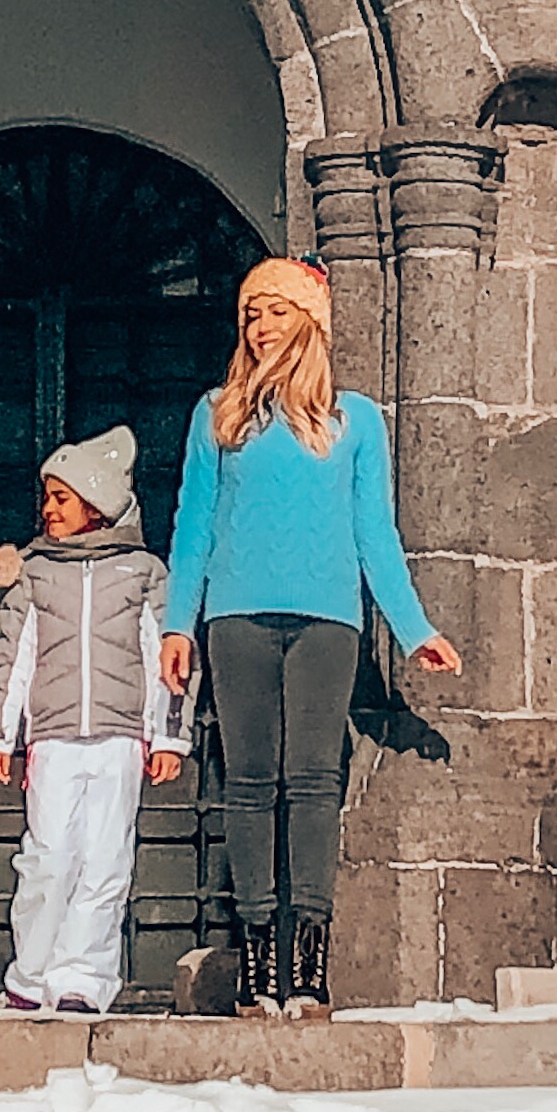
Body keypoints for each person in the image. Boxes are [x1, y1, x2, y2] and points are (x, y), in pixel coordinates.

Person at [158, 256, 462, 1017]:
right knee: (252, 783)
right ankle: (260, 959)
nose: (260, 327)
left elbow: (375, 533)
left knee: (314, 783)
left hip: (328, 621)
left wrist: (413, 625)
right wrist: (176, 623)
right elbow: (192, 526)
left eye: (275, 311)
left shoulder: (354, 420)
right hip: (236, 616)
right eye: (251, 313)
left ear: (311, 322)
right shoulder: (217, 413)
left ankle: (309, 963)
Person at [0, 426, 183, 1016]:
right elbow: (12, 656)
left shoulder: (143, 573)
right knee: (47, 856)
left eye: (61, 498)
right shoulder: (37, 574)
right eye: (47, 497)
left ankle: (83, 978)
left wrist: (167, 733)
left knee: (105, 860)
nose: (48, 509)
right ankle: (31, 973)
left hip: (120, 740)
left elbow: (164, 657)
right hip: (55, 738)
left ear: (96, 504)